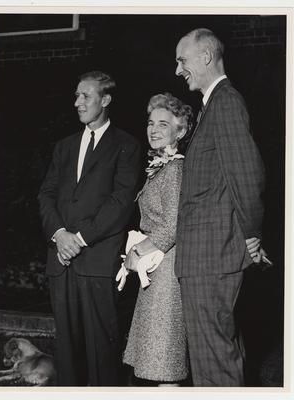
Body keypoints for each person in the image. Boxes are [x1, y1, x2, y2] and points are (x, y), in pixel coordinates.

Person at [174, 28, 269, 386]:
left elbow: (247, 175)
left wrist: (252, 236)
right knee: (217, 358)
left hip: (212, 257)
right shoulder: (212, 106)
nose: (178, 70)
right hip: (207, 258)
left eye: (182, 60)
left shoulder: (226, 102)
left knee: (215, 366)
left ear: (205, 57)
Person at [38, 70, 142, 386]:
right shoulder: (64, 147)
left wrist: (79, 238)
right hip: (61, 261)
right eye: (76, 95)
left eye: (86, 96)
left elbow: (120, 202)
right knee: (67, 352)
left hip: (97, 261)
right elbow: (46, 194)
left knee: (101, 352)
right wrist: (59, 235)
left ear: (105, 99)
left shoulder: (127, 145)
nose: (77, 102)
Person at [120, 93, 193, 386]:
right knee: (158, 358)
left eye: (163, 124)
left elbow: (173, 226)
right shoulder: (162, 166)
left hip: (167, 271)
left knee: (164, 359)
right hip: (157, 269)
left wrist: (137, 250)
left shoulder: (175, 168)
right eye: (151, 123)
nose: (154, 130)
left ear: (181, 130)